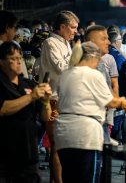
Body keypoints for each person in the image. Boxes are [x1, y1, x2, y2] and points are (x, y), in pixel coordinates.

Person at [54, 42, 126, 183]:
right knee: (89, 178)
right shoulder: (93, 74)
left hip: (63, 133)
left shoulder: (65, 74)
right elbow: (111, 101)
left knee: (70, 177)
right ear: (94, 57)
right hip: (86, 134)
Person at [0, 41, 52, 182]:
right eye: (13, 58)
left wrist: (46, 101)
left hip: (28, 152)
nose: (18, 62)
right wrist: (31, 97)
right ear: (2, 62)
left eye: (20, 58)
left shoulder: (27, 84)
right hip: (5, 154)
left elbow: (44, 117)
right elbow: (3, 109)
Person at [39, 10, 79, 183]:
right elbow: (62, 68)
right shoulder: (50, 43)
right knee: (56, 146)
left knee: (64, 146)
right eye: (73, 27)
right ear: (62, 27)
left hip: (67, 99)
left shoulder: (66, 43)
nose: (75, 31)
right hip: (54, 100)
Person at [85, 25, 119, 144]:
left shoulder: (98, 62)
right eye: (104, 39)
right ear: (92, 42)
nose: (109, 42)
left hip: (100, 119)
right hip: (93, 124)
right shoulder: (89, 65)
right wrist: (124, 104)